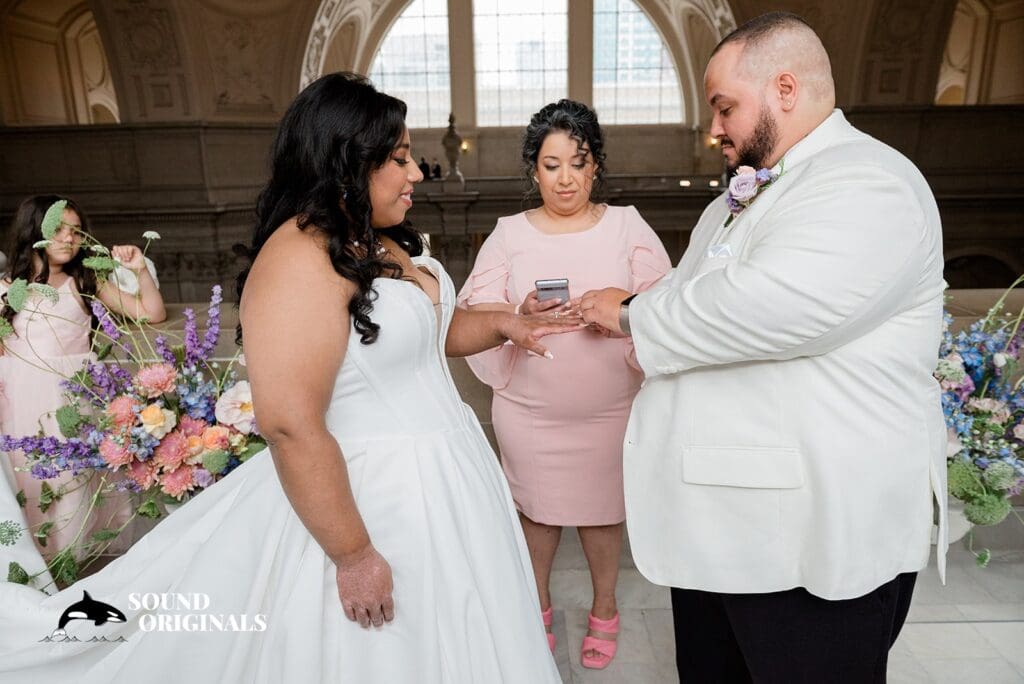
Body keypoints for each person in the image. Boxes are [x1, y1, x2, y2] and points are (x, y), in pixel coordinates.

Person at [0, 73, 573, 682]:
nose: (416, 174)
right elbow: (288, 423)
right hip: (372, 498)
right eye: (400, 157)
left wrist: (505, 322)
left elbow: (425, 332)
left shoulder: (375, 239)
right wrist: (353, 555)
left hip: (448, 479)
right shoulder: (298, 258)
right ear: (348, 161)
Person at [579, 12, 946, 682]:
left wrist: (632, 314)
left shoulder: (867, 180)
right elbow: (695, 293)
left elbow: (771, 308)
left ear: (785, 89)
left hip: (810, 539)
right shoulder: (742, 196)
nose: (714, 129)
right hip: (726, 528)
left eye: (725, 108)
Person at [457, 99, 671, 669]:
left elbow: (666, 305)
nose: (566, 178)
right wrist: (517, 313)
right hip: (532, 415)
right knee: (537, 514)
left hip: (610, 411)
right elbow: (473, 313)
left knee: (603, 512)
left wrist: (618, 312)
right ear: (534, 171)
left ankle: (605, 607)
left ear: (595, 165)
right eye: (551, 165)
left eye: (577, 163)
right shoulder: (508, 234)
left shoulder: (628, 225)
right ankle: (538, 607)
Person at [0, 195, 166, 563]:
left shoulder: (85, 281)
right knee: (33, 483)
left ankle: (75, 562)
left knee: (74, 481)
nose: (68, 239)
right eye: (58, 229)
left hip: (75, 401)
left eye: (76, 231)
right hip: (22, 407)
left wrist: (139, 270)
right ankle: (41, 566)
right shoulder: (8, 289)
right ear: (34, 232)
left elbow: (151, 313)